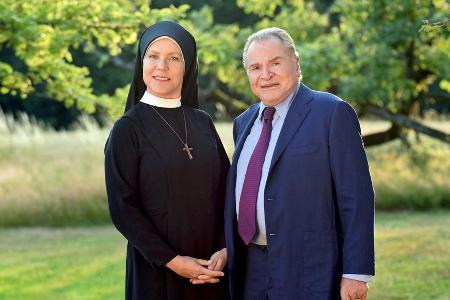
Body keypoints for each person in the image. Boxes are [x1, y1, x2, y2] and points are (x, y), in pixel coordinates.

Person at [224, 27, 375, 300]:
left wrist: (356, 273)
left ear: (296, 62)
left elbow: (356, 196)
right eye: (255, 67)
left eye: (275, 63)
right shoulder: (243, 123)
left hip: (312, 270)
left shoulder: (331, 112)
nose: (265, 74)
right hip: (251, 268)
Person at [104, 20, 230, 300]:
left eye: (174, 58)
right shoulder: (128, 129)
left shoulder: (203, 123)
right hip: (157, 272)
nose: (162, 66)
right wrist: (173, 261)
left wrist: (225, 249)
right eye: (153, 56)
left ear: (188, 67)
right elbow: (123, 209)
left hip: (213, 270)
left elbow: (227, 192)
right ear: (142, 62)